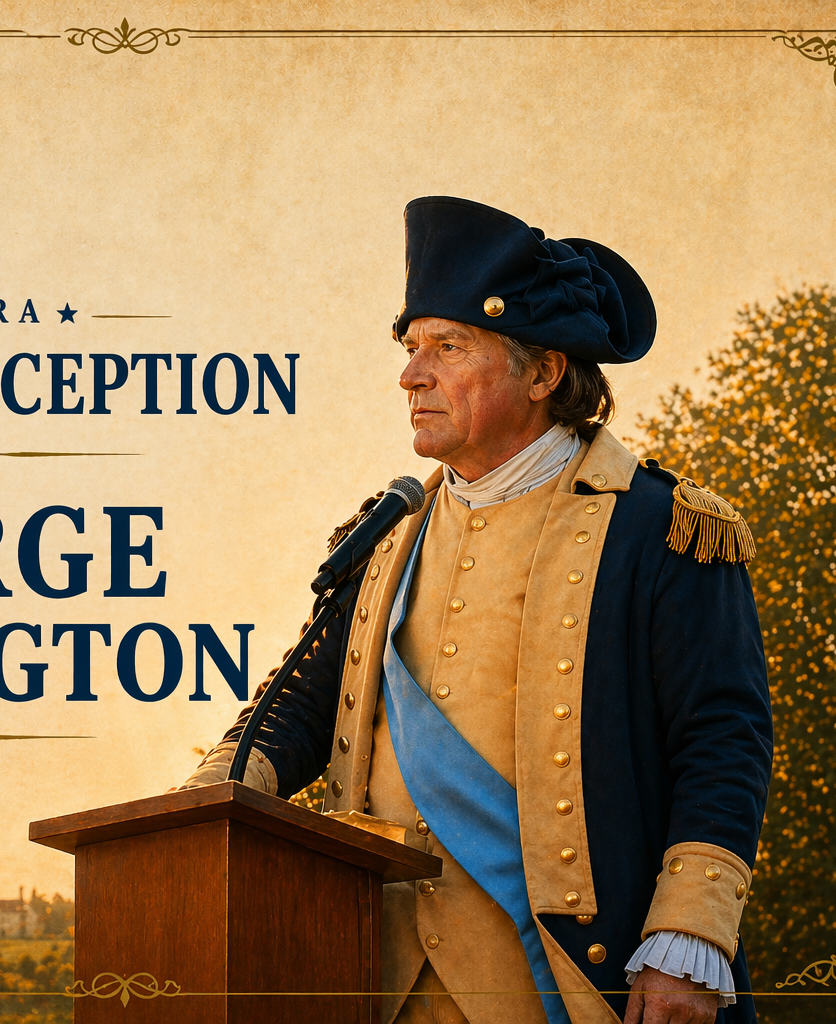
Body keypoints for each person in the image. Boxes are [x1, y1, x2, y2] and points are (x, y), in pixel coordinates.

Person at [181, 197, 772, 1024]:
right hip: (378, 977)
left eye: (447, 347)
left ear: (544, 372)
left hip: (574, 984)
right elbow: (298, 709)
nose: (411, 375)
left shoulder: (662, 528)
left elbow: (722, 736)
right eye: (411, 346)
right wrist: (202, 805)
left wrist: (690, 934)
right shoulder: (387, 534)